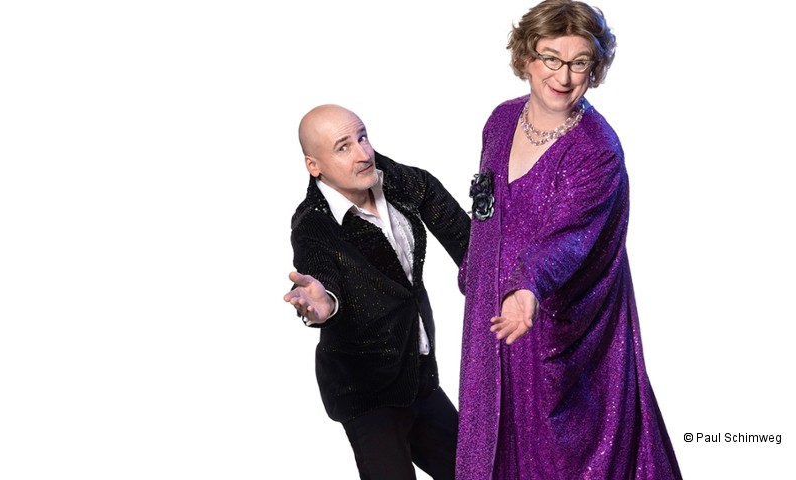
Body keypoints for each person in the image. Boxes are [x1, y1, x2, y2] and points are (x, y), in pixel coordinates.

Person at [454, 1, 682, 478]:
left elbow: (570, 238)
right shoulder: (500, 121)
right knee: (488, 438)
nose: (563, 76)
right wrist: (476, 272)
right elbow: (486, 208)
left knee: (557, 456)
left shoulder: (596, 149)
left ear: (594, 68)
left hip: (558, 328)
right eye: (551, 58)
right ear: (526, 58)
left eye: (579, 62)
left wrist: (527, 287)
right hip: (493, 316)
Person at [283, 104, 470, 480]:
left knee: (477, 471)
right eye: (343, 147)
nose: (363, 153)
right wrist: (323, 303)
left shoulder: (401, 183)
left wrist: (516, 284)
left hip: (418, 375)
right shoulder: (313, 225)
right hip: (365, 392)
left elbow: (467, 242)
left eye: (363, 137)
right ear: (314, 166)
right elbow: (321, 276)